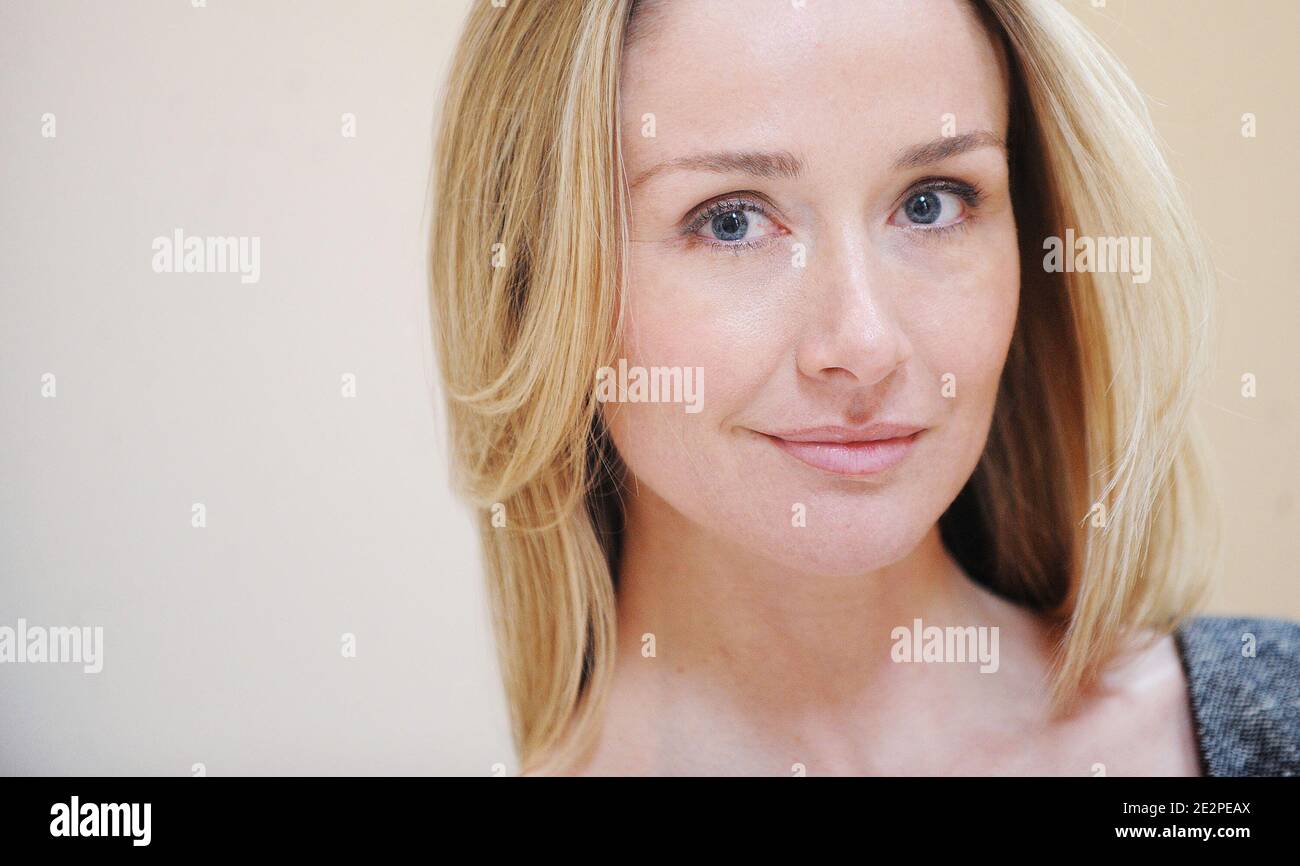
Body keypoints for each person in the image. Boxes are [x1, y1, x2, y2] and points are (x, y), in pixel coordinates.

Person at [427, 0, 1299, 776]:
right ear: (535, 284)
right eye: (731, 219)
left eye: (933, 202)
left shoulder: (1267, 722)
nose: (864, 344)